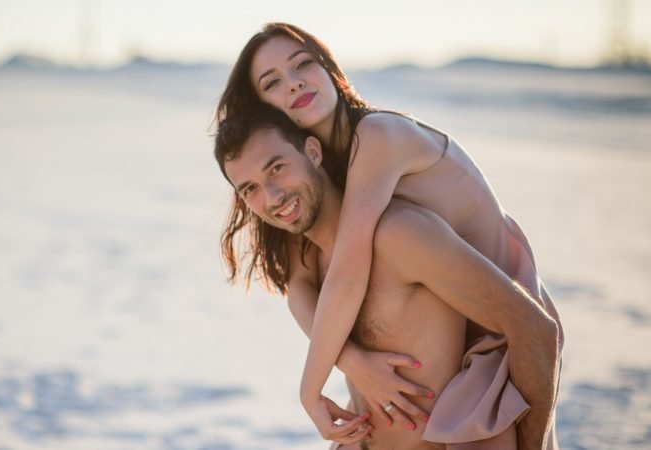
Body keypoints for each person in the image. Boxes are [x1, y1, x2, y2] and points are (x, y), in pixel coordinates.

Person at [215, 23, 563, 449]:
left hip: (505, 313)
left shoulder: (377, 137)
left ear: (328, 68)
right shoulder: (328, 175)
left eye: (303, 64)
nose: (295, 83)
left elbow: (347, 273)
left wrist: (311, 390)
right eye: (273, 83)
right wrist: (353, 360)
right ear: (263, 107)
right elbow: (299, 286)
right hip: (466, 319)